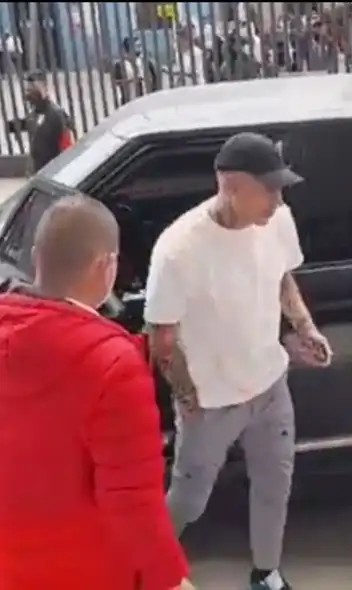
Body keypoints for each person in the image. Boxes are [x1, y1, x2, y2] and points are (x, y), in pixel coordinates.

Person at [145, 132, 333, 590]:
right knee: (190, 499)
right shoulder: (178, 250)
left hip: (270, 387)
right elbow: (161, 336)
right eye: (268, 188)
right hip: (212, 400)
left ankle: (266, 574)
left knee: (275, 486)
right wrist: (187, 397)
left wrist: (304, 327)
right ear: (230, 186)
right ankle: (145, 568)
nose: (278, 198)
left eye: (281, 187)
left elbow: (282, 277)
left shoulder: (278, 221)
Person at [0, 195, 192, 590]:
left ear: (37, 256)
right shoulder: (112, 365)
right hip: (86, 568)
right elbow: (132, 501)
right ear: (107, 266)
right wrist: (170, 579)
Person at [5, 70, 73, 174]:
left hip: (53, 171)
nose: (29, 93)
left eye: (33, 88)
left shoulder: (56, 114)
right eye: (28, 89)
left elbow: (67, 145)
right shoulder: (35, 113)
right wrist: (11, 126)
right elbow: (29, 124)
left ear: (45, 89)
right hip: (38, 171)